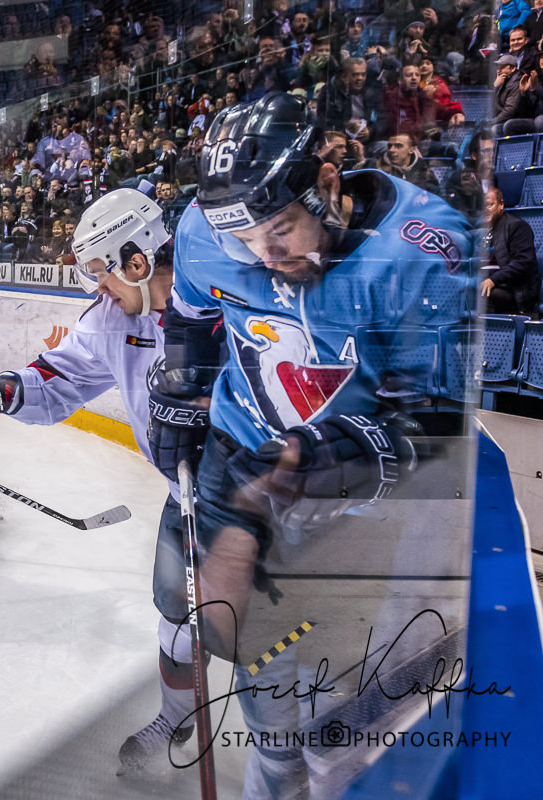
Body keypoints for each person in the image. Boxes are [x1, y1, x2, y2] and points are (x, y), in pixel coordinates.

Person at [152, 91, 472, 797]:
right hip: (236, 456)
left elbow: (436, 425)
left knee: (332, 698)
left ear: (328, 182)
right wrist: (182, 383)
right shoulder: (208, 233)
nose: (263, 257)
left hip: (354, 503)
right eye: (245, 241)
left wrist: (324, 458)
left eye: (281, 229)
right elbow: (191, 316)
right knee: (216, 623)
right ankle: (273, 763)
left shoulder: (423, 250)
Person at [0, 189, 200, 774]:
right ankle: (180, 713)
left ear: (138, 258)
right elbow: (53, 385)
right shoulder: (110, 318)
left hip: (266, 494)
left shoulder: (219, 306)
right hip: (187, 499)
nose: (97, 289)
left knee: (285, 622)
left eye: (103, 273)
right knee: (175, 615)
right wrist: (0, 391)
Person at [485, 187, 542, 315]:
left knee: (483, 294)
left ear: (501, 205)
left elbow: (522, 262)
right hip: (485, 284)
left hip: (513, 290)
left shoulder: (517, 227)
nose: (485, 209)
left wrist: (493, 280)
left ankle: (486, 333)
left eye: (490, 205)